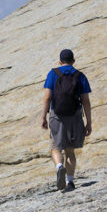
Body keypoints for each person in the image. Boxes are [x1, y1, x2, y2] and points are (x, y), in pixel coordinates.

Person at [41, 48, 92, 191]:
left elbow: (47, 97)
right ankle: (70, 182)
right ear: (73, 61)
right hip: (75, 116)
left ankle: (59, 167)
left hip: (57, 116)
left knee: (55, 147)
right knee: (70, 151)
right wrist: (89, 122)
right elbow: (86, 101)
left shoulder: (53, 74)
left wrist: (43, 116)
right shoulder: (80, 76)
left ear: (60, 61)